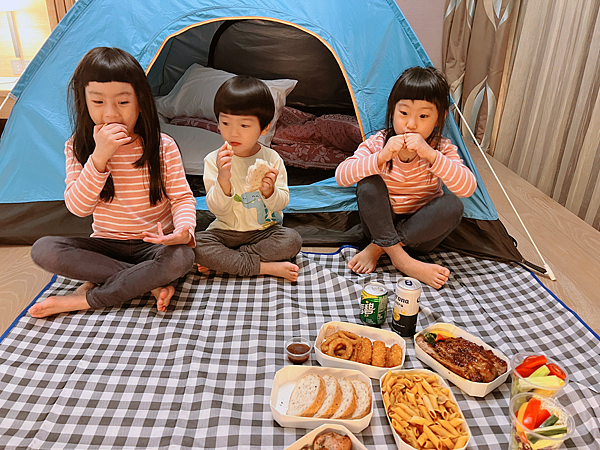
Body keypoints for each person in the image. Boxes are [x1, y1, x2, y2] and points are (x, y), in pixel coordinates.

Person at [29, 47, 197, 318]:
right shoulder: (78, 146)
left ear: (140, 101)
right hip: (106, 246)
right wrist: (99, 157)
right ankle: (146, 283)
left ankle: (84, 299)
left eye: (122, 102)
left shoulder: (162, 146)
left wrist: (183, 230)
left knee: (183, 256)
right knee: (44, 249)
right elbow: (79, 208)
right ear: (84, 103)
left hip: (153, 245)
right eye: (98, 103)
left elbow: (182, 199)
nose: (111, 114)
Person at [335, 66, 476, 289]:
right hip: (380, 225)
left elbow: (467, 188)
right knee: (368, 184)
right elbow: (341, 176)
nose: (411, 124)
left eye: (423, 116)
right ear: (392, 112)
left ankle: (380, 249)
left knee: (453, 205)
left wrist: (430, 154)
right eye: (403, 113)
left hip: (420, 234)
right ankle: (403, 261)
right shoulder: (378, 142)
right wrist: (381, 157)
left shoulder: (441, 147)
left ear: (440, 117)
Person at [194, 75, 302, 282]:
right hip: (225, 232)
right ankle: (264, 267)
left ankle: (230, 262)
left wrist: (270, 192)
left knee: (292, 241)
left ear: (264, 128)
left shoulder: (271, 158)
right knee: (197, 245)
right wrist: (223, 181)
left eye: (244, 126)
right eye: (225, 122)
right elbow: (217, 210)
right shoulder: (212, 160)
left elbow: (282, 203)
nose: (233, 132)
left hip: (264, 232)